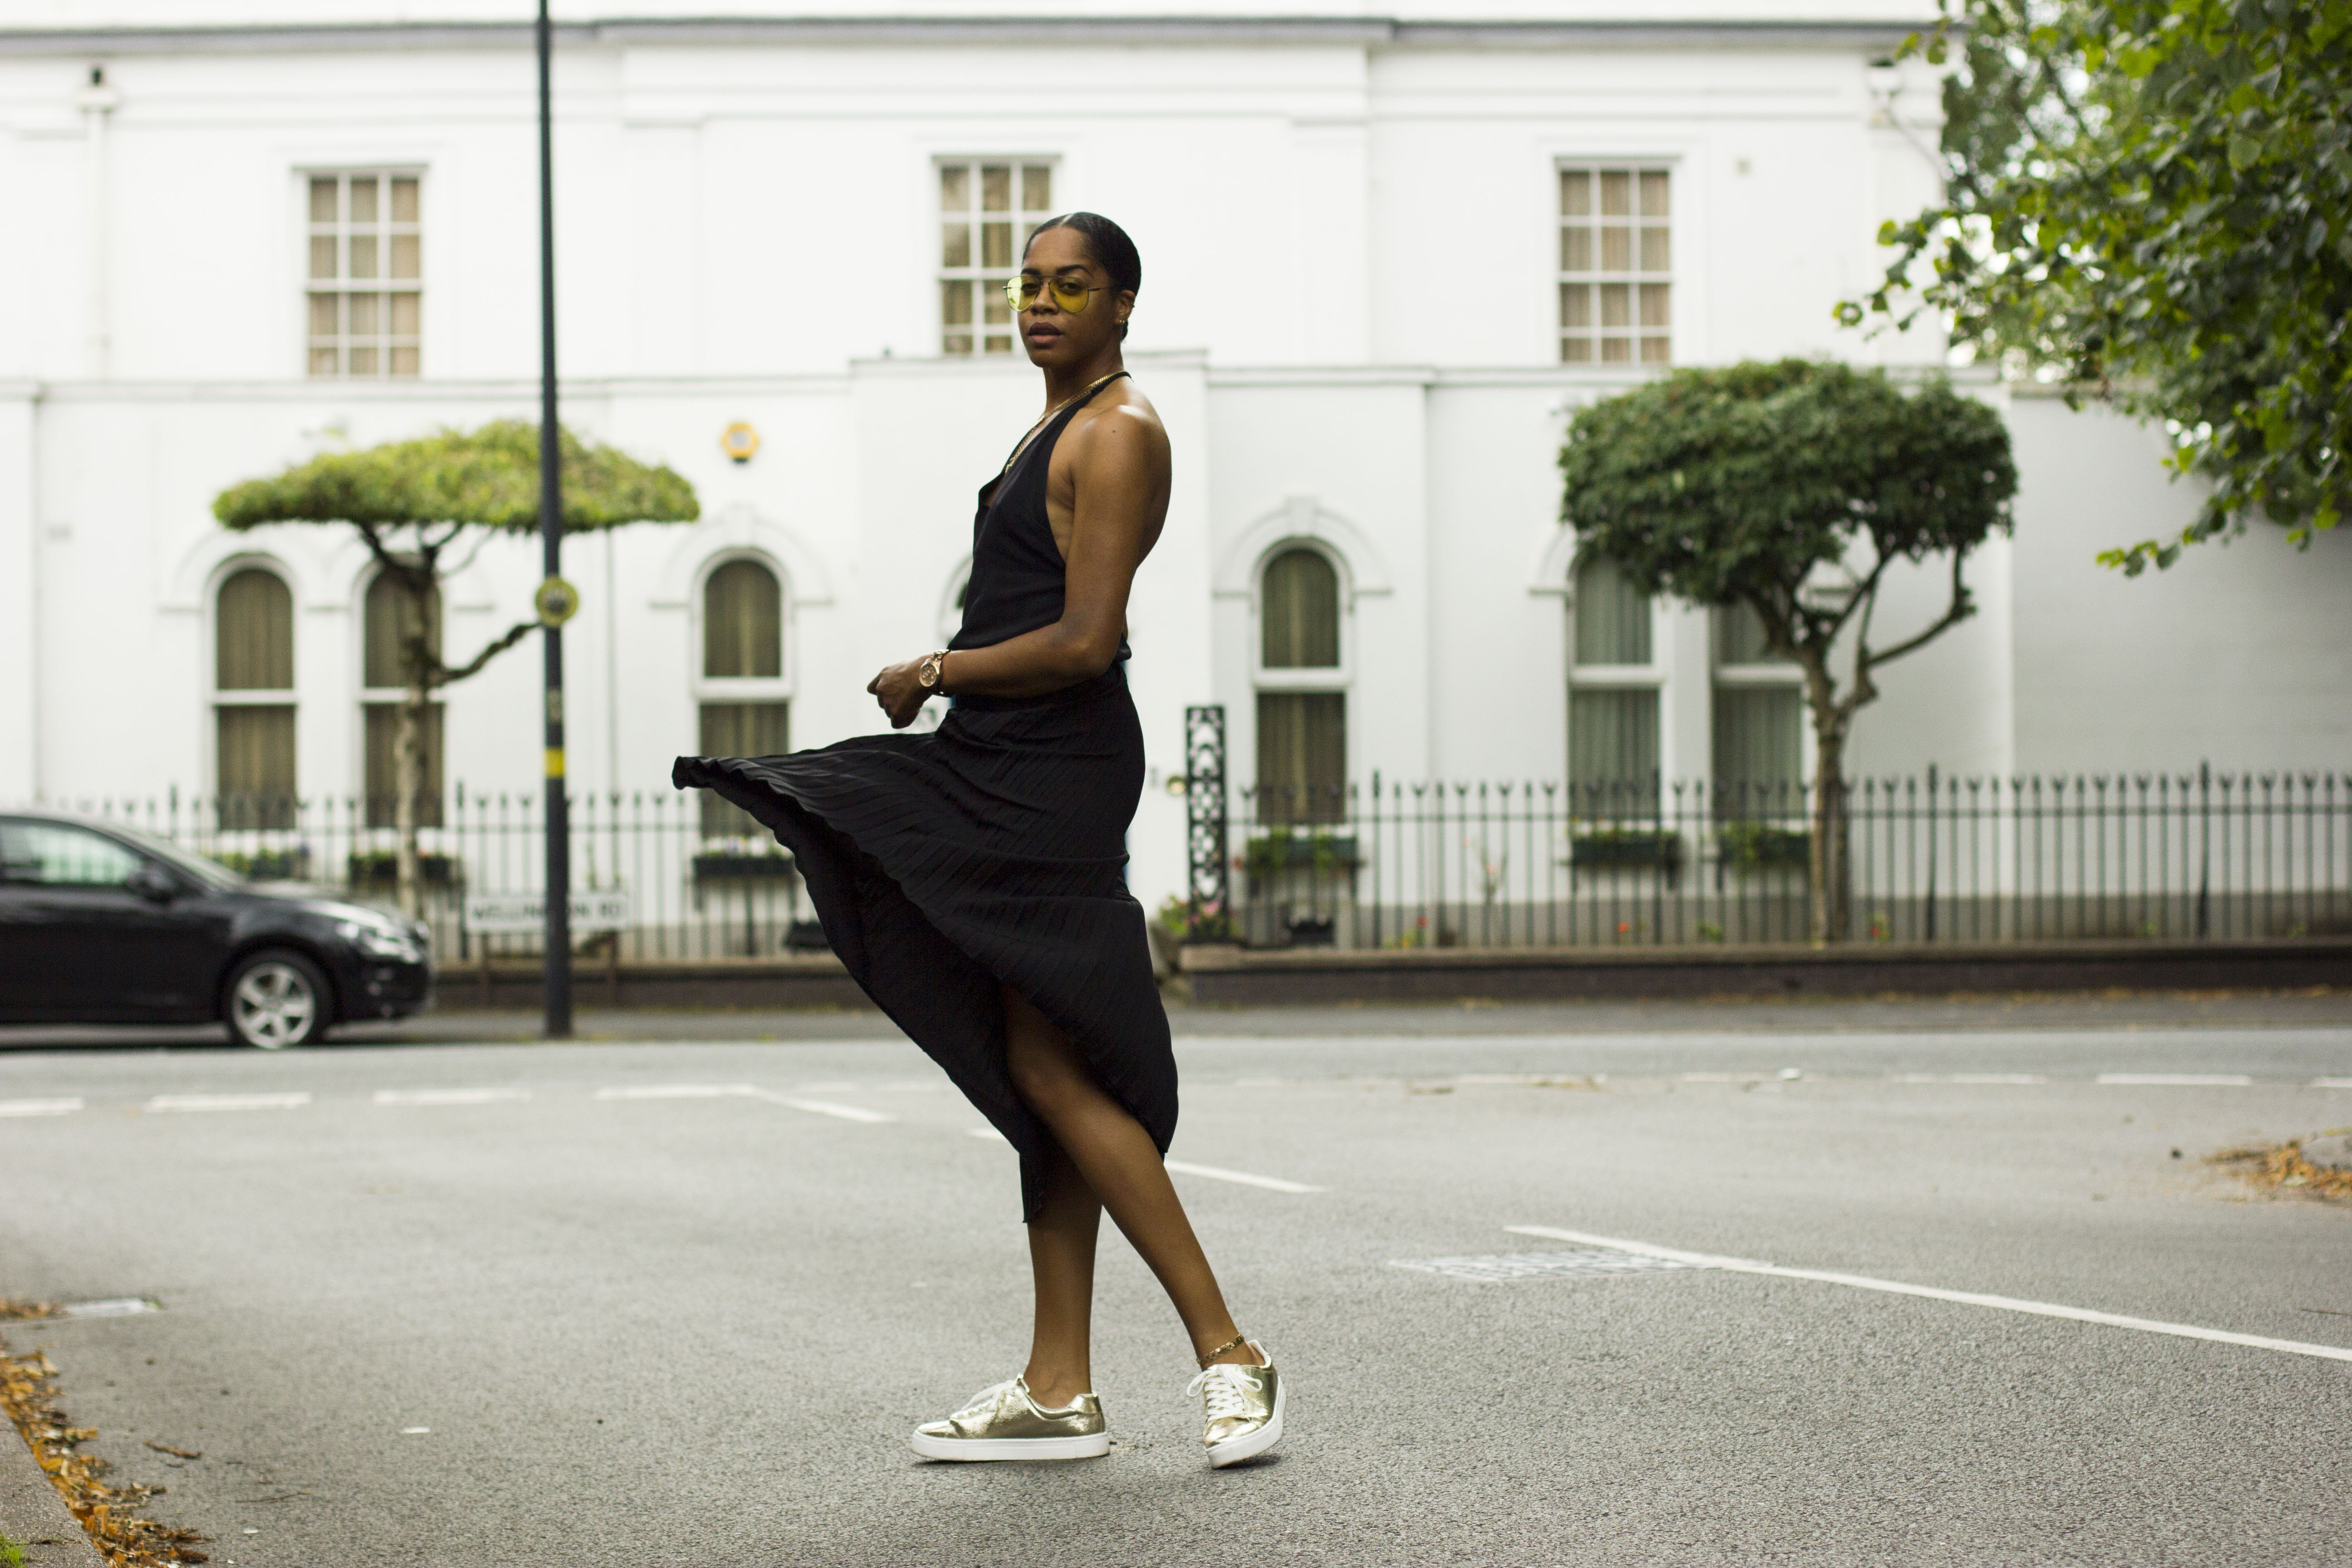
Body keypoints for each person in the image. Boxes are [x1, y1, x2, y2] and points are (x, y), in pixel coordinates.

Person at [673, 212, 1282, 1470]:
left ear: (1123, 308)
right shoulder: (1054, 426)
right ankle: (1059, 1385)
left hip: (1053, 766)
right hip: (1004, 752)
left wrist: (936, 668)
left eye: (1075, 286)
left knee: (1059, 1067)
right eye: (1030, 283)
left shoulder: (1120, 432)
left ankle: (1232, 1353)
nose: (1043, 302)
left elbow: (1085, 639)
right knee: (1033, 1064)